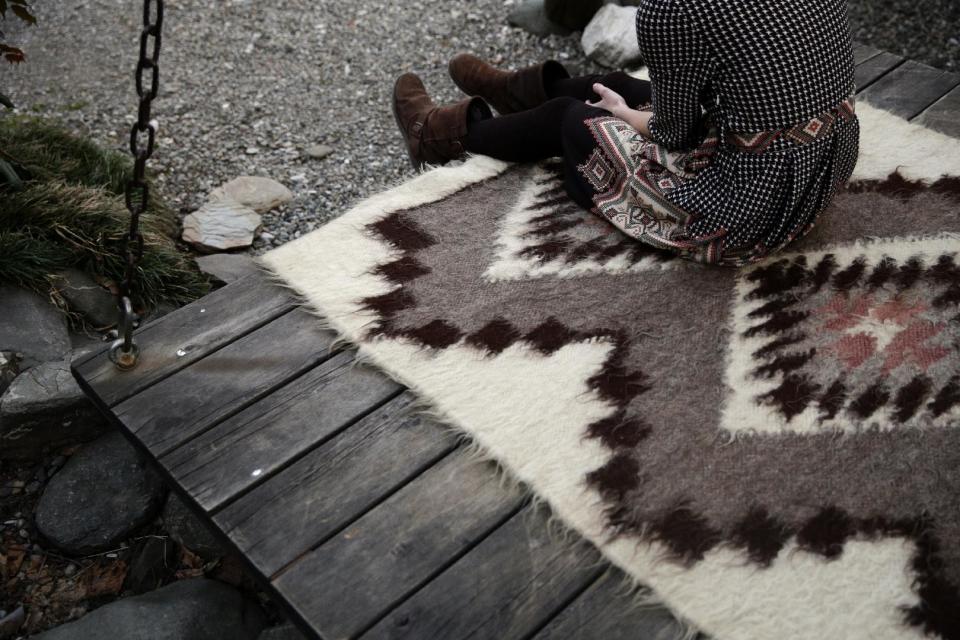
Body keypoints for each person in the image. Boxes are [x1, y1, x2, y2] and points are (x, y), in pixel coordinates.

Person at [391, 0, 860, 266]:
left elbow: (672, 134)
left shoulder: (672, 13)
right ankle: (520, 93)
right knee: (622, 86)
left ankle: (439, 136)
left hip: (754, 205)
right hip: (825, 157)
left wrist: (624, 116)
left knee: (570, 118)